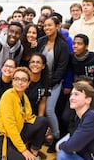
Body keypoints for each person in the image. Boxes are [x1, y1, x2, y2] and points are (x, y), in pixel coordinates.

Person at [0, 67, 48, 160]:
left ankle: (34, 152)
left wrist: (42, 130)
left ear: (28, 83)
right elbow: (10, 127)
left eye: (24, 80)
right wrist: (23, 150)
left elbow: (28, 117)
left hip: (18, 132)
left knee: (42, 121)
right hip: (3, 138)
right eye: (17, 79)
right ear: (12, 81)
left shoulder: (23, 97)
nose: (20, 82)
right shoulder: (8, 96)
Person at [35, 16, 70, 152]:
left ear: (57, 26)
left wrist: (48, 85)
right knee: (39, 111)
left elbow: (62, 68)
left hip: (54, 83)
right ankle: (40, 135)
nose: (47, 28)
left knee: (49, 110)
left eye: (50, 25)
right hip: (39, 81)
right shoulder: (41, 41)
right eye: (45, 26)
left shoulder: (63, 45)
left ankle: (56, 136)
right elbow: (35, 60)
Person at [57, 82, 94, 160]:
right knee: (64, 152)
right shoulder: (78, 117)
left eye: (76, 94)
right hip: (88, 156)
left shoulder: (92, 117)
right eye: (71, 94)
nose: (71, 98)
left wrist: (61, 146)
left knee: (63, 154)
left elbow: (73, 145)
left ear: (88, 100)